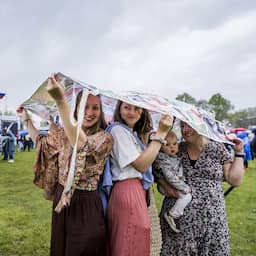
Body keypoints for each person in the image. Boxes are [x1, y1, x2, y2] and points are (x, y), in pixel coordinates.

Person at [17, 74, 113, 256]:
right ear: (76, 108)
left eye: (95, 108)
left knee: (84, 248)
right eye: (84, 106)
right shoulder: (62, 134)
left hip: (86, 203)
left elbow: (83, 145)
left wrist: (61, 101)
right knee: (60, 249)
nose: (89, 112)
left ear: (101, 112)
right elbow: (42, 142)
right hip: (62, 200)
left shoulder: (105, 138)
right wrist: (25, 118)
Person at [154, 121, 244, 256]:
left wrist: (239, 153)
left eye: (189, 125)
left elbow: (234, 180)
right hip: (178, 223)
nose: (185, 130)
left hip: (212, 221)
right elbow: (156, 168)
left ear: (200, 125)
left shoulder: (217, 148)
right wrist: (164, 184)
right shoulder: (175, 148)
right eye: (182, 126)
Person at [107, 100, 173, 256]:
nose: (132, 112)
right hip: (127, 190)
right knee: (129, 242)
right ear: (119, 109)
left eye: (137, 108)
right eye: (127, 107)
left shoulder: (130, 133)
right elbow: (141, 165)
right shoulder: (117, 130)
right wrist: (161, 134)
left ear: (142, 111)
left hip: (134, 190)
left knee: (136, 240)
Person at [153, 130, 192, 233]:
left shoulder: (172, 157)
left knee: (184, 196)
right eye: (167, 145)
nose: (172, 147)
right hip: (168, 184)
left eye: (175, 144)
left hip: (173, 183)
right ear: (160, 147)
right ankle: (173, 214)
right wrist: (183, 187)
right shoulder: (163, 160)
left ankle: (176, 211)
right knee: (187, 195)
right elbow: (170, 177)